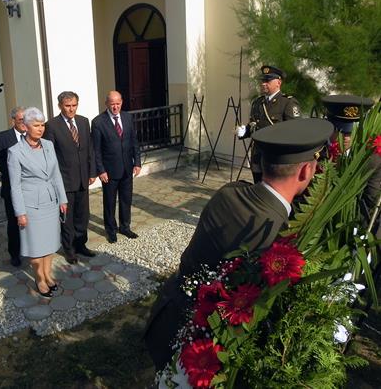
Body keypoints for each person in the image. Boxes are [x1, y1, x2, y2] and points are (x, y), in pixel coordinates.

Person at [144, 118, 334, 371]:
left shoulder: (229, 192)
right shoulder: (280, 237)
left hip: (168, 320)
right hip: (206, 354)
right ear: (306, 172)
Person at [7, 107, 68, 297]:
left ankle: (48, 274)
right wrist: (20, 213)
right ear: (25, 126)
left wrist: (62, 199)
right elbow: (15, 186)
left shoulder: (48, 145)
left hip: (50, 201)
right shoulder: (15, 152)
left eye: (42, 125)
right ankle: (39, 278)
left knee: (49, 242)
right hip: (31, 206)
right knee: (35, 245)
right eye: (36, 125)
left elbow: (56, 173)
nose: (40, 129)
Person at [44, 91, 97, 264]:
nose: (71, 109)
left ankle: (81, 244)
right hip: (65, 181)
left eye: (74, 105)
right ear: (60, 106)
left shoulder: (83, 121)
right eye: (67, 106)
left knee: (83, 215)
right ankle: (70, 249)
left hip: (83, 178)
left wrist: (92, 172)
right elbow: (50, 156)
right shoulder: (51, 125)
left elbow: (89, 148)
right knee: (68, 219)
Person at [321, 94, 379, 238]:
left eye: (351, 131)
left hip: (353, 229)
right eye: (341, 131)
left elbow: (371, 201)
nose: (346, 137)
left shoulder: (370, 160)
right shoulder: (317, 155)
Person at [236, 65, 301, 183]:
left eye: (267, 80)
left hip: (276, 157)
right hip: (257, 156)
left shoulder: (287, 102)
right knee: (258, 187)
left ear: (278, 82)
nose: (263, 83)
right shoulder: (257, 103)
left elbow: (295, 131)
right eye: (262, 80)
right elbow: (255, 126)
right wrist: (244, 131)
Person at [91, 90, 141, 243]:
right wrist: (101, 170)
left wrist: (137, 162)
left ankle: (125, 226)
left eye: (118, 103)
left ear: (122, 102)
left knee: (126, 199)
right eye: (112, 104)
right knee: (110, 202)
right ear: (106, 104)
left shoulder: (127, 117)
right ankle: (110, 230)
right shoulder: (98, 122)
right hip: (109, 171)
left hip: (127, 167)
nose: (115, 107)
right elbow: (96, 150)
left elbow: (134, 142)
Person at [0, 106, 26, 267]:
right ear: (13, 121)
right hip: (12, 188)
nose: (24, 123)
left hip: (31, 188)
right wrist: (14, 172)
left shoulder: (34, 135)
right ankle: (15, 254)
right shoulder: (4, 137)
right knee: (14, 223)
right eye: (21, 120)